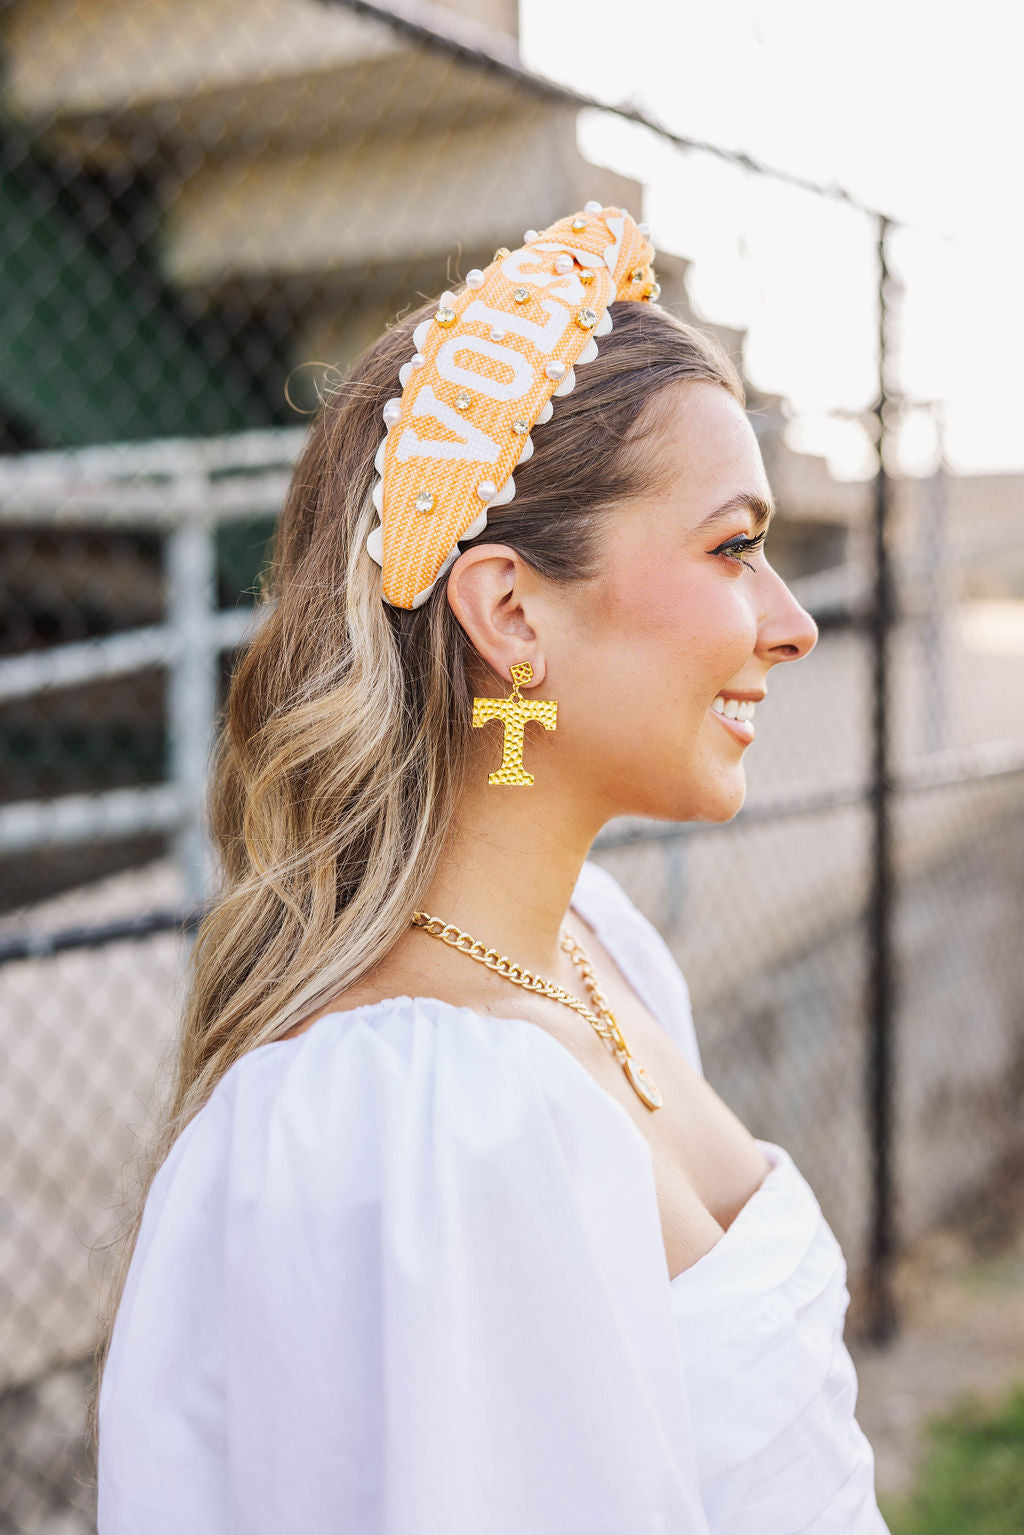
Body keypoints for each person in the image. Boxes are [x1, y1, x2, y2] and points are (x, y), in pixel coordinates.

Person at [92, 204, 889, 1532]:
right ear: (512, 611)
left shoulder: (597, 946)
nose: (792, 624)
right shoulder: (431, 1120)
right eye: (733, 549)